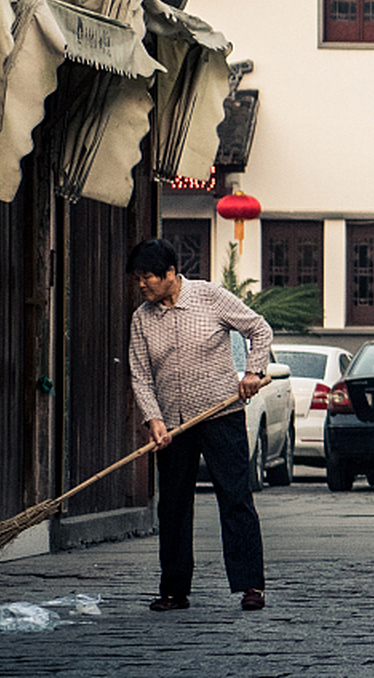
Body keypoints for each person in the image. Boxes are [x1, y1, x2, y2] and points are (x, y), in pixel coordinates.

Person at [126, 238, 272, 611]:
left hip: (220, 417)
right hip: (173, 427)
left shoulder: (210, 296)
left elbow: (259, 329)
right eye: (137, 278)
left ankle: (250, 586)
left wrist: (253, 371)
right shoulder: (142, 318)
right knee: (173, 506)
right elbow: (141, 376)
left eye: (148, 277)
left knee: (235, 498)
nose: (141, 285)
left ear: (171, 274)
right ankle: (174, 590)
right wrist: (153, 419)